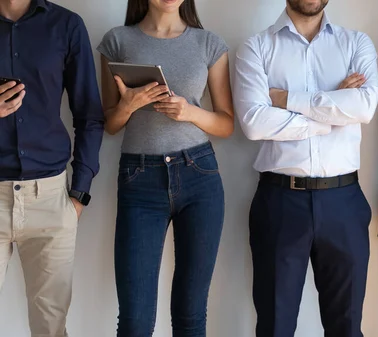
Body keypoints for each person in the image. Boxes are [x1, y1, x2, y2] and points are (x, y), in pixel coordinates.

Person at [233, 0, 378, 336]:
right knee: (274, 326)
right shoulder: (256, 47)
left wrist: (284, 99)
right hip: (280, 200)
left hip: (344, 200)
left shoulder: (357, 43)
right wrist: (330, 112)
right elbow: (255, 123)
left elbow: (364, 106)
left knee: (347, 327)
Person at [97, 0, 233, 335]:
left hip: (199, 175)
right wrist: (128, 106)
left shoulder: (208, 43)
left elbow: (226, 124)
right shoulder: (117, 41)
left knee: (190, 314)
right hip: (139, 178)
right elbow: (110, 124)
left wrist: (189, 113)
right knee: (135, 319)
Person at [0, 0, 104, 335]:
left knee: (50, 327)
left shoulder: (67, 25)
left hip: (51, 200)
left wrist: (79, 194)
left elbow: (88, 115)